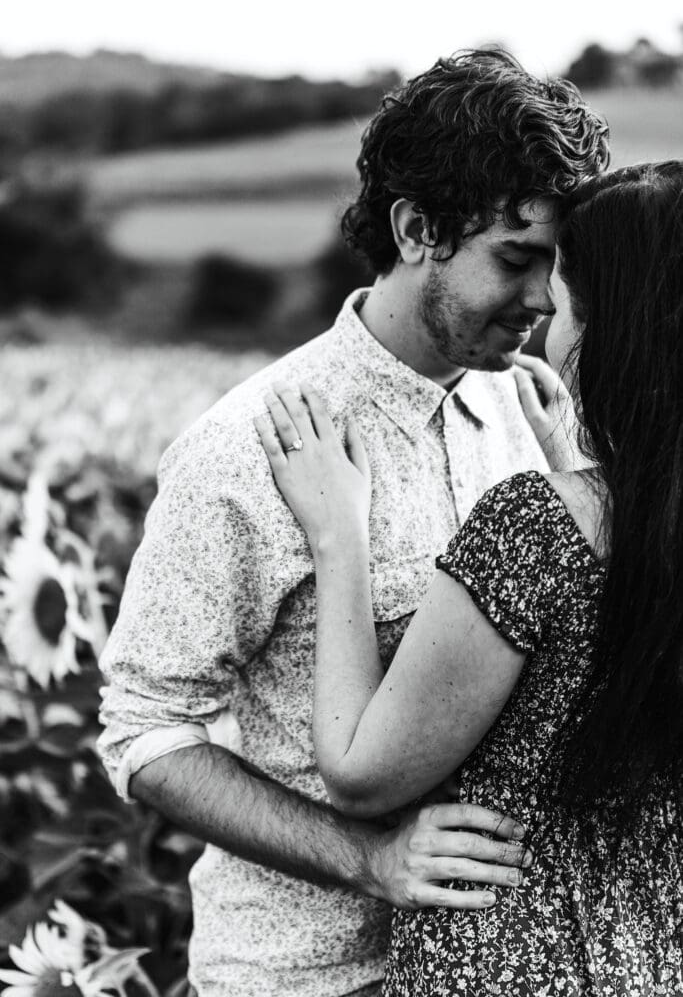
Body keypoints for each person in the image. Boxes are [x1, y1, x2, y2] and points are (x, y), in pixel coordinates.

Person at [97, 50, 608, 997]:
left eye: (557, 266)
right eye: (515, 257)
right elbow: (146, 732)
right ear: (417, 230)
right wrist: (363, 856)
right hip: (307, 975)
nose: (542, 301)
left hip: (497, 968)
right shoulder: (248, 446)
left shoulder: (528, 412)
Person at [256, 160, 683, 995]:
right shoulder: (636, 524)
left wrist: (338, 537)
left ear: (611, 330)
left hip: (512, 959)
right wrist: (589, 468)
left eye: (560, 305)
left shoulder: (535, 530)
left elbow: (358, 768)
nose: (543, 325)